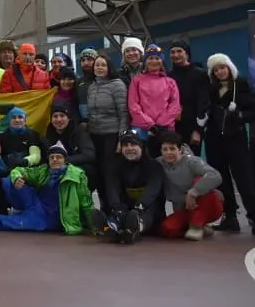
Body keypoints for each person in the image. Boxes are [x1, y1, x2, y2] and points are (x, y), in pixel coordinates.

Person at [0, 142, 94, 234]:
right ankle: (16, 208)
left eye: (59, 157)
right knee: (8, 181)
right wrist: (16, 178)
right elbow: (18, 170)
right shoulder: (44, 171)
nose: (55, 160)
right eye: (52, 157)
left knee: (3, 222)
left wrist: (93, 224)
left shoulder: (77, 176)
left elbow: (86, 202)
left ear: (65, 160)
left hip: (46, 219)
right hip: (35, 203)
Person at [205, 53, 255, 237]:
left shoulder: (241, 86)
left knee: (246, 182)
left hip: (236, 141)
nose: (220, 72)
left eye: (222, 67)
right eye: (216, 70)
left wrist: (240, 116)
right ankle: (230, 217)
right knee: (222, 181)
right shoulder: (210, 90)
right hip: (214, 141)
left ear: (229, 68)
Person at [95, 128, 163, 244]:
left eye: (133, 144)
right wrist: (116, 206)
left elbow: (153, 189)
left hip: (148, 208)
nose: (129, 148)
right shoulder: (116, 166)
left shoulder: (154, 166)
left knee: (144, 213)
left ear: (141, 146)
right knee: (120, 210)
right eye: (125, 145)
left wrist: (140, 206)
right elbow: (113, 187)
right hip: (127, 207)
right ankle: (111, 227)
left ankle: (135, 228)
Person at [157, 131, 223, 241]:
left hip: (206, 205)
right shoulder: (159, 163)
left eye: (172, 149)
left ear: (180, 150)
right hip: (183, 209)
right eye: (165, 149)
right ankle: (201, 228)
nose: (168, 153)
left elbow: (215, 176)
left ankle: (197, 226)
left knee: (200, 179)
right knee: (167, 229)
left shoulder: (192, 161)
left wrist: (193, 192)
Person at [85, 55, 128, 211]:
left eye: (103, 65)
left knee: (110, 173)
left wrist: (122, 138)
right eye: (97, 65)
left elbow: (124, 113)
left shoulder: (117, 85)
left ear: (109, 67)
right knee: (99, 173)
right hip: (95, 135)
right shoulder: (92, 86)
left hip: (112, 134)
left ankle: (116, 208)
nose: (99, 68)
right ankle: (104, 207)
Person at [128, 45, 180, 157]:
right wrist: (150, 125)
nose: (154, 61)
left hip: (166, 129)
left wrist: (161, 124)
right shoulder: (137, 80)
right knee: (144, 160)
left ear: (162, 61)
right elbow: (133, 105)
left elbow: (174, 106)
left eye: (157, 58)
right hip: (142, 130)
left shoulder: (170, 82)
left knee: (166, 160)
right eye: (150, 58)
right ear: (145, 62)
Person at [42, 103, 97, 192]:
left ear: (68, 118)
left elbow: (89, 155)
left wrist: (64, 161)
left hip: (76, 169)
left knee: (88, 170)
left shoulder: (79, 133)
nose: (59, 119)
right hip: (55, 170)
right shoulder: (47, 136)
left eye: (62, 116)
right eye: (55, 116)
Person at [168, 41, 210, 156]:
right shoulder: (168, 76)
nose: (176, 55)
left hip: (192, 128)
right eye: (172, 52)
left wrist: (198, 130)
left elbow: (204, 103)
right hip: (173, 128)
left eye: (179, 51)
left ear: (187, 54)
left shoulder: (199, 74)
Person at [0, 108, 41, 173]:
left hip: (28, 170)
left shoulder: (32, 135)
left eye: (20, 117)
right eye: (13, 117)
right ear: (9, 120)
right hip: (9, 170)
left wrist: (24, 161)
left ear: (25, 120)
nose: (17, 120)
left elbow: (36, 155)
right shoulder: (4, 136)